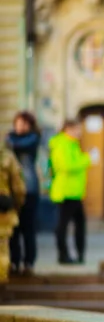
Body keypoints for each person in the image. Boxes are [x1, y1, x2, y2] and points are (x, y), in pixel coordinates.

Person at [48, 119, 91, 264]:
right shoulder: (60, 144)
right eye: (77, 129)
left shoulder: (72, 145)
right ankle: (63, 255)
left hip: (75, 192)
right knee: (63, 226)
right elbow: (64, 165)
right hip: (65, 192)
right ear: (68, 129)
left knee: (79, 224)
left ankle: (80, 255)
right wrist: (85, 160)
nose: (79, 132)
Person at [6, 111, 42, 276]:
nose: (21, 126)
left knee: (28, 227)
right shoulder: (10, 138)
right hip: (11, 190)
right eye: (18, 123)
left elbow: (19, 145)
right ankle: (14, 261)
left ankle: (28, 262)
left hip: (29, 188)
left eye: (25, 123)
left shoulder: (33, 138)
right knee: (13, 228)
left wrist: (9, 142)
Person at [0, 139, 26, 275]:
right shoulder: (7, 157)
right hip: (3, 209)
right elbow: (19, 187)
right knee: (2, 248)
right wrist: (17, 204)